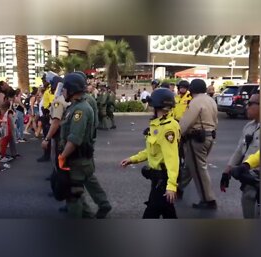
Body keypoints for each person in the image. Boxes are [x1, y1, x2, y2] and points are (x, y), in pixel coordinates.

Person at [58, 73, 112, 219]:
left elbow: (74, 139)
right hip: (80, 159)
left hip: (77, 159)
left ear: (72, 90)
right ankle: (98, 208)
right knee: (82, 188)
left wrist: (62, 156)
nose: (62, 91)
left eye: (65, 88)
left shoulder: (80, 110)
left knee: (73, 195)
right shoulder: (75, 107)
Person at [120, 88, 180, 218]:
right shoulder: (157, 125)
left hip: (162, 180)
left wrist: (171, 186)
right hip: (157, 179)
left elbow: (172, 158)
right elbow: (151, 151)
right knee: (168, 212)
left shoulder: (168, 128)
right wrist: (132, 159)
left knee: (151, 213)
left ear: (158, 106)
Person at [179, 79, 219, 209]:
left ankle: (208, 200)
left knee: (199, 169)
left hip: (197, 139)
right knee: (191, 166)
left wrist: (177, 135)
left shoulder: (196, 102)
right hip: (209, 137)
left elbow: (185, 123)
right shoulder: (210, 100)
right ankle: (178, 188)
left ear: (192, 89)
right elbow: (216, 121)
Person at [221, 93, 260, 218]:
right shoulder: (249, 127)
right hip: (249, 177)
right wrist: (226, 171)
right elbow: (239, 151)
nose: (246, 106)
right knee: (247, 203)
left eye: (250, 104)